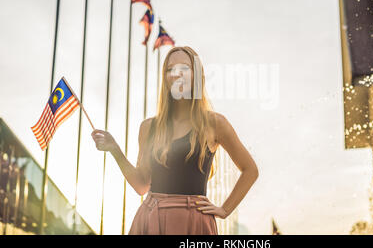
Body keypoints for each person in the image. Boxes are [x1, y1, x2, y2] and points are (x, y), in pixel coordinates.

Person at [91, 46, 259, 235]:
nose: (176, 74)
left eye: (184, 68)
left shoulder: (215, 123)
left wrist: (225, 209)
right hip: (150, 218)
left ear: (197, 75)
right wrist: (115, 150)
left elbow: (250, 170)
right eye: (170, 69)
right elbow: (141, 185)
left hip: (194, 222)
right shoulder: (148, 127)